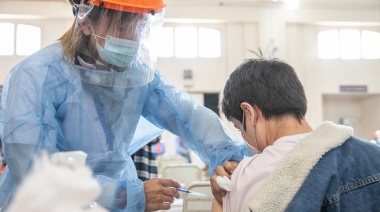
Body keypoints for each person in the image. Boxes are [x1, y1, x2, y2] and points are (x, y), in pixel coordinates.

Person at [0, 0, 247, 211]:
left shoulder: (135, 74)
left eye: (139, 27)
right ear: (86, 22)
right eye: (121, 26)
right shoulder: (37, 76)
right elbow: (36, 171)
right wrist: (127, 195)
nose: (133, 38)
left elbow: (187, 115)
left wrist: (229, 158)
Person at [211, 53, 380, 211]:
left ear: (249, 113)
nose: (243, 136)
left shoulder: (243, 177)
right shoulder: (373, 155)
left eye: (239, 127)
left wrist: (219, 200)